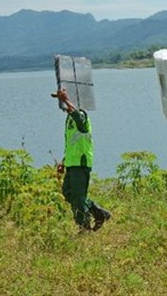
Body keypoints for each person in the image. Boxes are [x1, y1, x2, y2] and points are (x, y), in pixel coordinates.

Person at [54, 88, 111, 232]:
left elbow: (79, 118)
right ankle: (99, 213)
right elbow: (74, 143)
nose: (63, 107)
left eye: (64, 102)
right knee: (68, 193)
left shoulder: (81, 116)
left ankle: (84, 227)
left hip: (81, 163)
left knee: (79, 198)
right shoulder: (69, 120)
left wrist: (66, 99)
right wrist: (64, 161)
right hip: (72, 164)